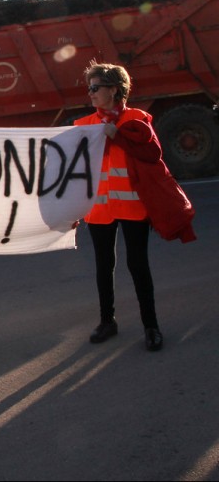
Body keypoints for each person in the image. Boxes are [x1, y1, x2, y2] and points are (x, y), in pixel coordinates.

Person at [75, 61, 196, 352]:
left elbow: (153, 154)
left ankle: (151, 326)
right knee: (104, 266)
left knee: (138, 265)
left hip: (132, 207)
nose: (90, 94)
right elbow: (75, 172)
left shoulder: (135, 120)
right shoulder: (85, 126)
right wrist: (71, 209)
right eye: (89, 88)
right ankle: (108, 321)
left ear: (114, 90)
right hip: (100, 209)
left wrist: (117, 135)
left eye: (95, 88)